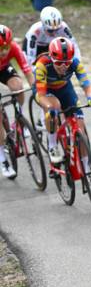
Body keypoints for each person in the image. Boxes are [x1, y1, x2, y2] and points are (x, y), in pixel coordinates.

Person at [34, 37, 91, 190]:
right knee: (54, 107)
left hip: (64, 88)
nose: (63, 67)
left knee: (80, 128)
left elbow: (87, 86)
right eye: (58, 63)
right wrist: (49, 108)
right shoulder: (42, 64)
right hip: (45, 90)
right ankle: (52, 145)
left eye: (67, 63)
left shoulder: (75, 63)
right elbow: (42, 95)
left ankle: (87, 171)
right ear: (52, 58)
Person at [0, 25, 36, 178]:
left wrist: (35, 87)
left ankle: (18, 120)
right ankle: (2, 159)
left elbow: (27, 71)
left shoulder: (14, 48)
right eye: (0, 48)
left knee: (19, 86)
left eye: (6, 47)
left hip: (3, 69)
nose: (4, 51)